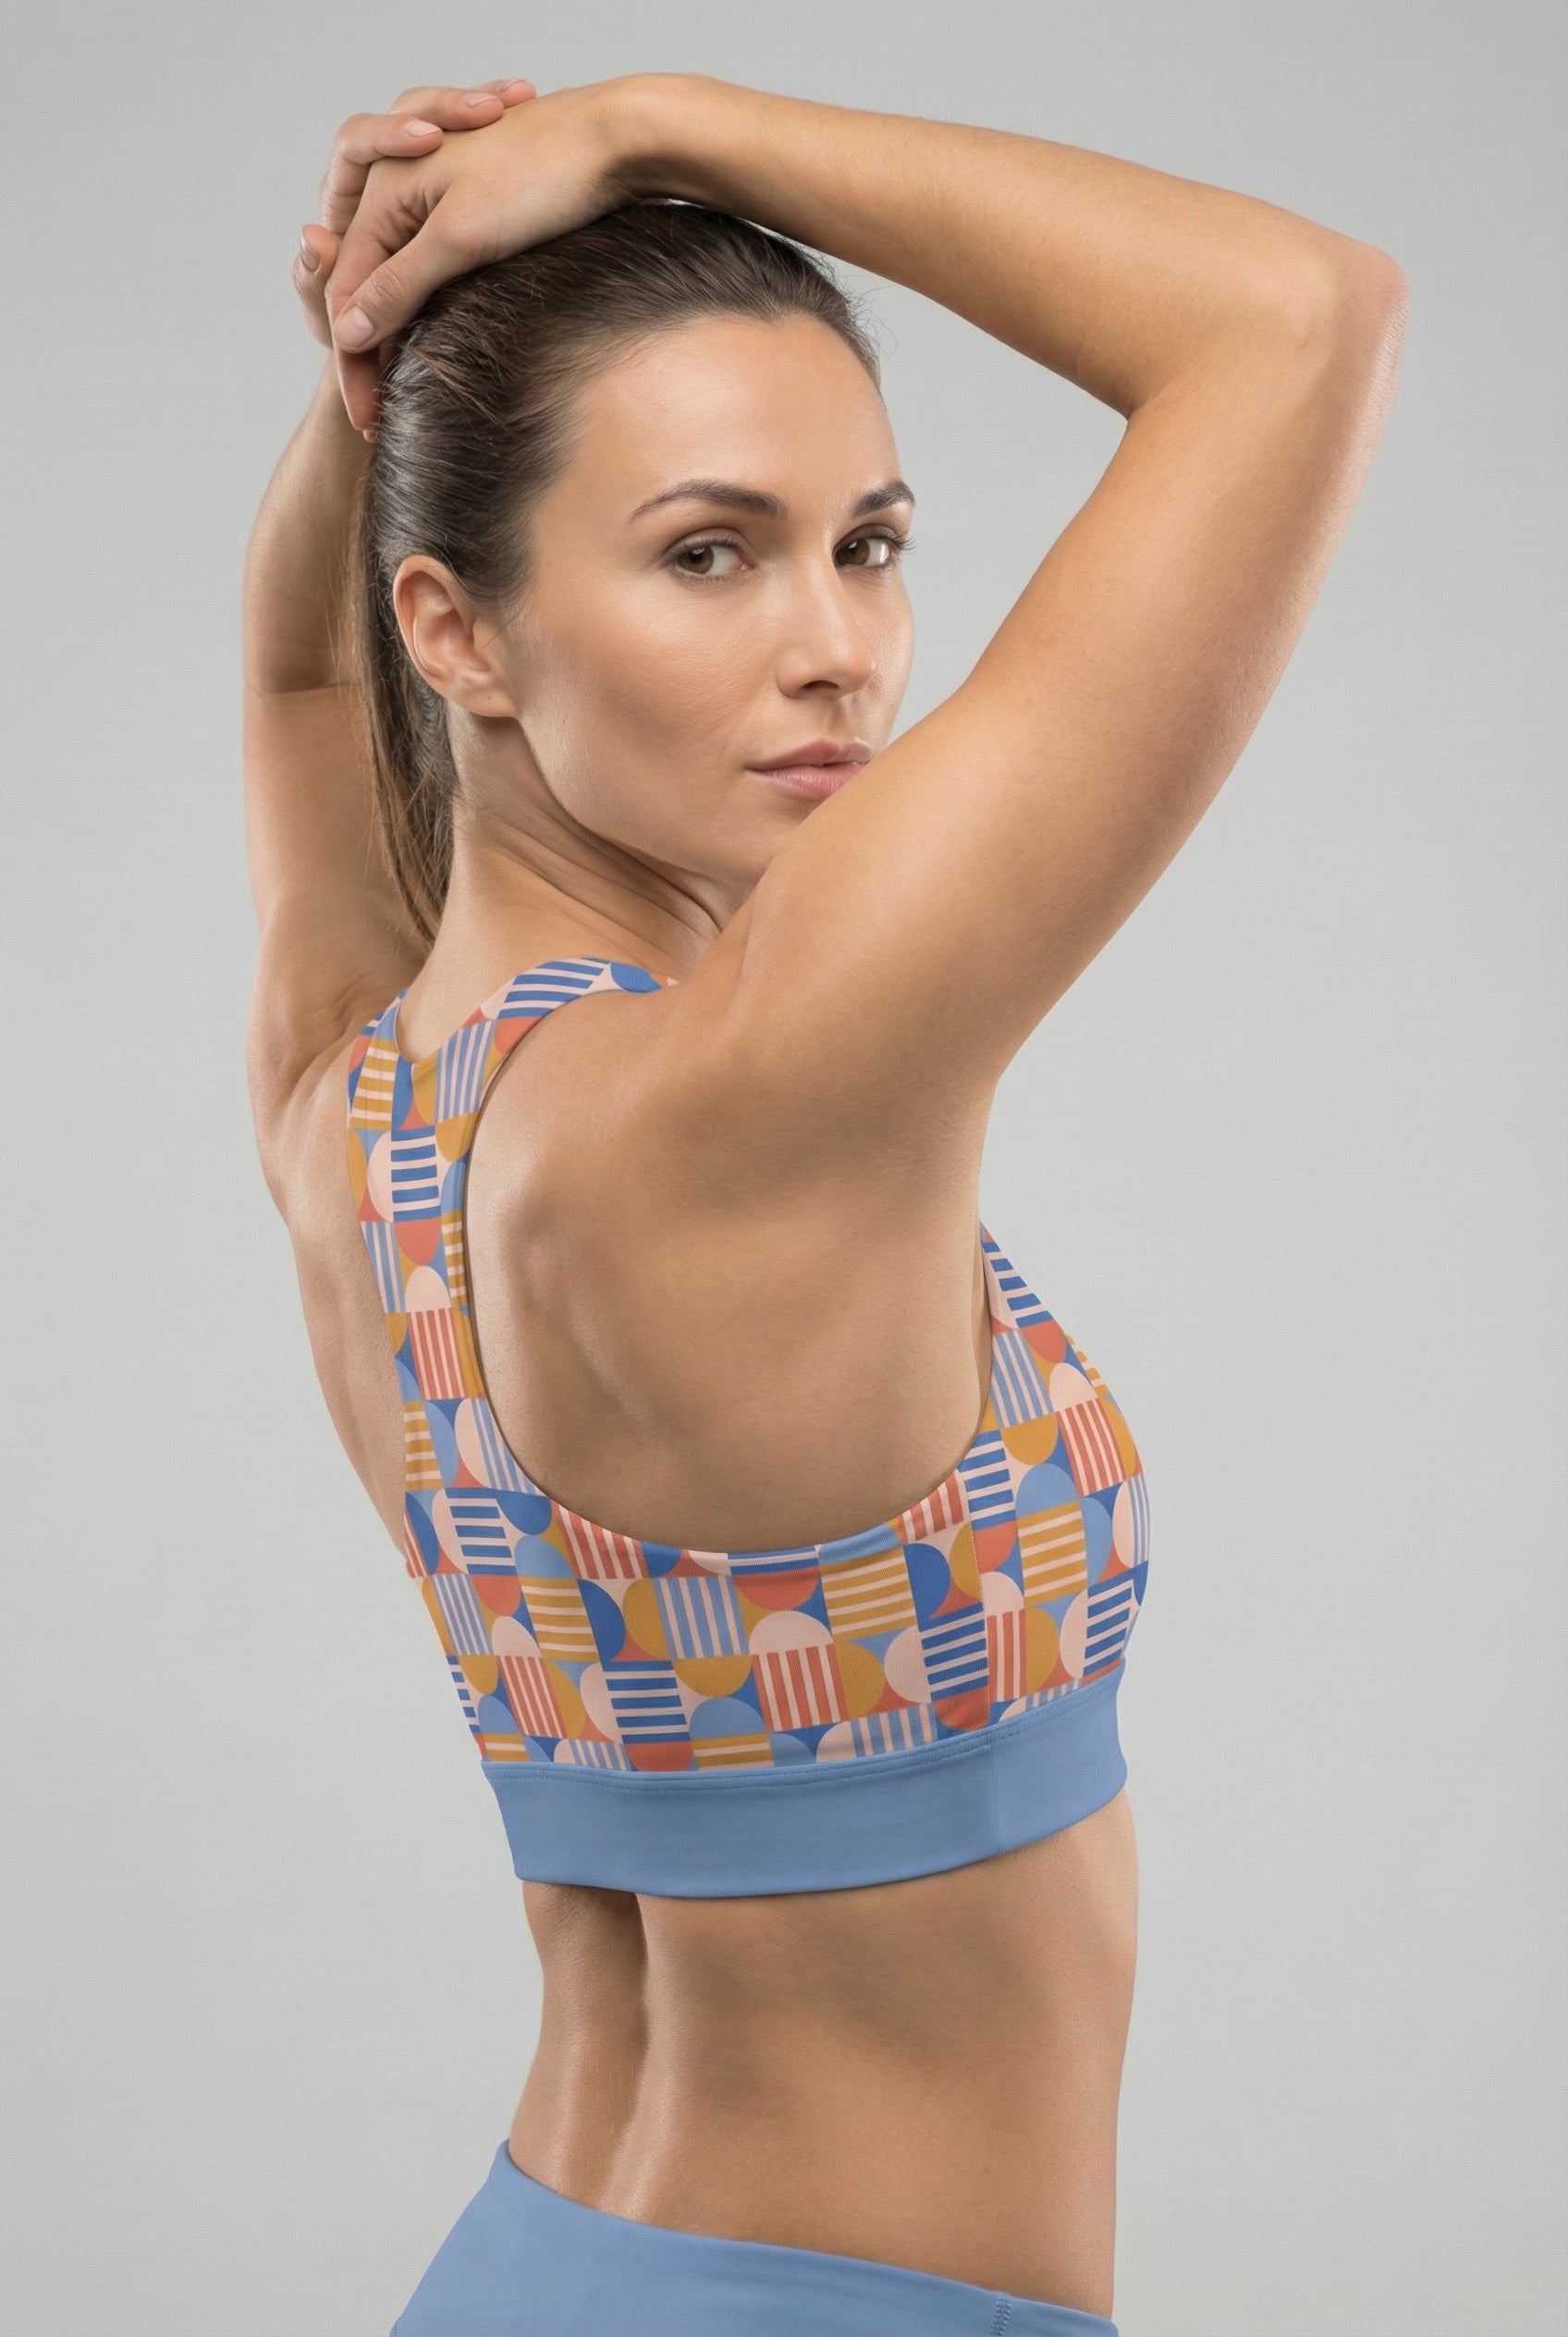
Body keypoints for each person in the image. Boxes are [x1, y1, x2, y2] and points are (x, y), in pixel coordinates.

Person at [243, 67, 1405, 2337]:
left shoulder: (343, 1101)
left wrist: (379, 366)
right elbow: (1292, 316)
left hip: (535, 2264)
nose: (837, 648)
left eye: (865, 540)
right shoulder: (754, 1087)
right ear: (458, 631)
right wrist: (665, 128)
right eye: (709, 549)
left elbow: (300, 671)